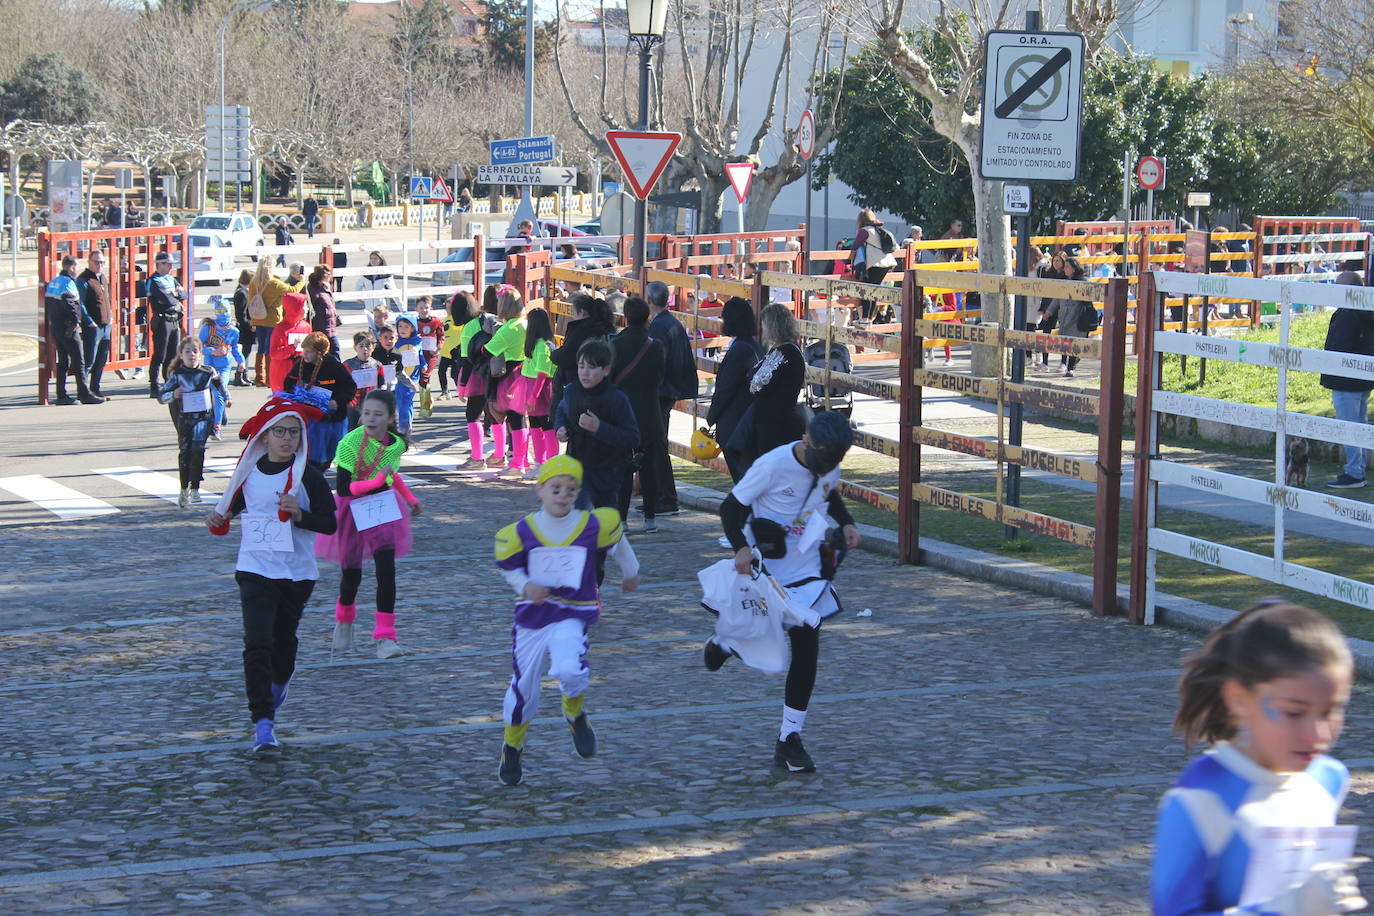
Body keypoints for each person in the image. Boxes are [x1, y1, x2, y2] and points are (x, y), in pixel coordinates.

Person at [1151, 600, 1365, 916]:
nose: (1318, 734)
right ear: (1238, 699)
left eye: (1332, 711)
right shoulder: (1198, 800)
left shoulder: (1329, 779)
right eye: (1294, 713)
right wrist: (1284, 909)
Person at [706, 411, 860, 773]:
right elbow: (731, 507)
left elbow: (829, 492)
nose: (827, 467)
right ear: (807, 442)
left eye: (833, 462)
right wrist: (739, 548)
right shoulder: (772, 465)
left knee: (807, 639)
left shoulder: (829, 463)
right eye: (822, 460)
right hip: (766, 567)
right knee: (761, 634)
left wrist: (847, 522)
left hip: (807, 566)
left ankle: (790, 738)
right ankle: (726, 641)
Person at [492, 454, 640, 786]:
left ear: (577, 494)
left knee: (569, 667)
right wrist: (525, 585)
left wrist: (632, 573)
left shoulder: (591, 525)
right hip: (532, 619)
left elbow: (618, 543)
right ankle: (512, 746)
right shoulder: (523, 531)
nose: (562, 495)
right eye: (555, 488)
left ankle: (575, 712)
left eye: (569, 490)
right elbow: (509, 566)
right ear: (540, 490)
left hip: (572, 614)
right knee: (523, 688)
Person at [205, 395, 338, 753]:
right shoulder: (248, 474)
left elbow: (330, 523)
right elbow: (235, 506)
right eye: (280, 431)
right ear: (264, 435)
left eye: (294, 432)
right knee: (257, 643)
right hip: (254, 568)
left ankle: (281, 680)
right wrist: (220, 517)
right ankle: (263, 724)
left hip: (296, 573)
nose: (287, 438)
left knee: (283, 643)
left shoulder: (308, 478)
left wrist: (300, 516)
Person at [317, 389, 420, 660]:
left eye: (378, 414)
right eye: (366, 413)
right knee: (352, 575)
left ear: (389, 418)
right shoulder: (349, 443)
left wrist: (409, 497)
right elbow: (343, 487)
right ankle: (344, 619)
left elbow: (390, 474)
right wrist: (375, 482)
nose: (371, 419)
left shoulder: (395, 443)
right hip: (352, 507)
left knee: (386, 570)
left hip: (382, 507)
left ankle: (385, 637)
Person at [555, 339, 639, 514]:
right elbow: (561, 413)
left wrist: (600, 428)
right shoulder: (571, 391)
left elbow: (632, 438)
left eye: (591, 367)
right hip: (577, 468)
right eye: (581, 366)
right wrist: (560, 428)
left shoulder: (617, 398)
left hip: (608, 472)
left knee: (606, 524)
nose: (585, 373)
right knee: (579, 518)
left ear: (606, 370)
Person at [731, 303, 806, 478]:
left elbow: (756, 384)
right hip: (768, 423)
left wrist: (751, 375)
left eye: (764, 324)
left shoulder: (786, 353)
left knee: (770, 474)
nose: (762, 328)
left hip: (776, 425)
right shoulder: (779, 351)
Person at [611, 297, 666, 532]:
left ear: (626, 316)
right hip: (649, 412)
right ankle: (650, 519)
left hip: (623, 413)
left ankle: (621, 519)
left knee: (623, 466)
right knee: (649, 467)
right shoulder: (656, 346)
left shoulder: (615, 344)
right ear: (647, 318)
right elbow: (660, 378)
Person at [645, 280, 695, 516]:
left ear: (650, 301)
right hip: (671, 388)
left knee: (657, 445)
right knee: (657, 444)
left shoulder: (658, 327)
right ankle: (659, 495)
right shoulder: (673, 323)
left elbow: (656, 362)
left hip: (661, 390)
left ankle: (665, 497)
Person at [1320, 271, 1374, 489]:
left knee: (1349, 425)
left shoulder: (1348, 314)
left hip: (1345, 380)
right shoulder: (1365, 311)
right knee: (1359, 423)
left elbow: (1339, 345)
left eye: (1338, 285)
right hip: (1360, 380)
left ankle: (1354, 473)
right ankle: (1359, 468)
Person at [160, 336, 227, 507]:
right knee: (185, 453)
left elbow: (220, 386)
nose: (192, 355)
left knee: (198, 450)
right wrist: (173, 395)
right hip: (185, 419)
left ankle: (195, 488)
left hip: (203, 418)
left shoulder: (208, 372)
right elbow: (162, 396)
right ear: (181, 355)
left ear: (201, 354)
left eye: (195, 351)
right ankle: (184, 489)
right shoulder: (177, 376)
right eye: (187, 352)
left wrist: (227, 399)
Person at [284, 331, 357, 472]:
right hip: (309, 418)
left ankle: (323, 468)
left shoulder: (334, 366)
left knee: (329, 454)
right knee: (310, 456)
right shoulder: (300, 365)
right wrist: (295, 392)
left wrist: (337, 402)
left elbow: (350, 387)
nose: (304, 354)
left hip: (332, 420)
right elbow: (287, 384)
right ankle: (313, 472)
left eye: (309, 352)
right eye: (304, 350)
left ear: (319, 353)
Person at [708, 298, 763, 482]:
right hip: (746, 422)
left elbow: (725, 389)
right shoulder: (753, 347)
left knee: (743, 480)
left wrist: (711, 416)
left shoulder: (740, 350)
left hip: (735, 425)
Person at [46, 255, 103, 406]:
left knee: (64, 360)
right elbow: (71, 304)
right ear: (71, 267)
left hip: (56, 326)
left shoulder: (54, 283)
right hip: (68, 327)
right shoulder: (69, 284)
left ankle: (61, 395)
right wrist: (76, 321)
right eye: (76, 267)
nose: (77, 270)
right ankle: (84, 394)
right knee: (79, 360)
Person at [551, 291, 615, 425]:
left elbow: (567, 356)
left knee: (577, 425)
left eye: (574, 312)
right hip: (602, 385)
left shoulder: (581, 330)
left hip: (577, 383)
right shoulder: (606, 328)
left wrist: (554, 353)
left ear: (582, 312)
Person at [484, 288, 529, 473]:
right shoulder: (526, 324)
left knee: (513, 418)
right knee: (522, 419)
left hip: (510, 375)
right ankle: (523, 459)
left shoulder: (507, 329)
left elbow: (488, 350)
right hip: (527, 371)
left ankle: (517, 463)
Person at [512, 306, 558, 478]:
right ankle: (540, 463)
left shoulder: (543, 346)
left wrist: (533, 397)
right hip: (532, 388)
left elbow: (542, 374)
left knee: (547, 428)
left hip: (541, 390)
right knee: (536, 427)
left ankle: (551, 465)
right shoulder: (537, 344)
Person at [459, 292, 500, 469]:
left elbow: (466, 361)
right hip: (495, 372)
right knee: (496, 416)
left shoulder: (469, 327)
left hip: (477, 376)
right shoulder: (489, 320)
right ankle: (500, 455)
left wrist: (461, 385)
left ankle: (477, 458)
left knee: (473, 415)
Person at [199, 298, 246, 437]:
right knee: (209, 393)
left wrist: (241, 361)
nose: (222, 313)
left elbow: (235, 348)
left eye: (225, 310)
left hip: (225, 367)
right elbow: (199, 346)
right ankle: (214, 417)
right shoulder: (208, 328)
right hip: (210, 366)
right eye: (219, 311)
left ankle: (217, 426)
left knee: (219, 393)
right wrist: (211, 351)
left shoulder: (234, 331)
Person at [1040, 256, 1094, 379]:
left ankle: (1071, 368)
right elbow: (1057, 299)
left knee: (1075, 343)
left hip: (1077, 317)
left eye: (1068, 267)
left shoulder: (1083, 281)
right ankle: (1066, 364)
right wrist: (1049, 312)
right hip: (1064, 316)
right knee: (1066, 343)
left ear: (1074, 269)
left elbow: (1088, 301)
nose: (1065, 269)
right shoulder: (1063, 281)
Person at [147, 251, 187, 396]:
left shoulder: (171, 279)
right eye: (167, 264)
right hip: (162, 320)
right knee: (159, 355)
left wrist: (174, 295)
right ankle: (154, 386)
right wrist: (174, 295)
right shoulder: (154, 280)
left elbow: (184, 294)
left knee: (172, 355)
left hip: (174, 320)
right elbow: (165, 299)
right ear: (159, 264)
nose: (170, 267)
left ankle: (168, 382)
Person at [76, 248, 113, 399]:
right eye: (96, 262)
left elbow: (106, 299)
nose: (99, 265)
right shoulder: (83, 280)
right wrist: (89, 322)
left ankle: (95, 388)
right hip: (93, 327)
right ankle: (83, 392)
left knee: (101, 360)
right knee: (89, 360)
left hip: (106, 325)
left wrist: (110, 317)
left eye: (102, 262)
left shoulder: (103, 278)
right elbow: (80, 303)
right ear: (89, 262)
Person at [248, 258, 290, 386]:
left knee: (260, 349)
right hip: (272, 320)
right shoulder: (275, 283)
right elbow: (292, 290)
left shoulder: (253, 282)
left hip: (258, 318)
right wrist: (301, 280)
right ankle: (270, 379)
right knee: (270, 350)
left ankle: (259, 377)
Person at [850, 209, 898, 322]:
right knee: (874, 290)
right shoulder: (879, 230)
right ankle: (869, 318)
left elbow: (854, 246)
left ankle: (865, 318)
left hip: (875, 263)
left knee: (867, 290)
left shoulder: (864, 231)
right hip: (886, 263)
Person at [268, 292, 311, 392]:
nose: (307, 309)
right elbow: (274, 353)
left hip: (301, 371)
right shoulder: (281, 328)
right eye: (304, 306)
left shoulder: (306, 326)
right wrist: (292, 347)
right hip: (282, 371)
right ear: (296, 308)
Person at [392, 314, 424, 435]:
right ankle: (400, 427)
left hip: (413, 377)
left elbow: (420, 356)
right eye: (400, 326)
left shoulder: (418, 341)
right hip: (398, 377)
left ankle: (405, 430)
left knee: (405, 404)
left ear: (413, 328)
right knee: (399, 403)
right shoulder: (396, 342)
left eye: (406, 327)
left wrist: (424, 365)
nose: (402, 329)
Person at [343, 330, 381, 430]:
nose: (365, 349)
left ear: (373, 347)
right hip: (353, 406)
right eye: (361, 346)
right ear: (355, 347)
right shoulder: (347, 365)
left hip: (371, 406)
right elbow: (342, 384)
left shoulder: (377, 365)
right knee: (352, 432)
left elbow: (382, 384)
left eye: (368, 346)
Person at [307, 263, 339, 356]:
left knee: (336, 353)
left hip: (331, 328)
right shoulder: (313, 289)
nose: (330, 277)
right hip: (322, 328)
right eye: (328, 274)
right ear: (323, 276)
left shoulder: (325, 287)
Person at [231, 268, 254, 385]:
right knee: (245, 352)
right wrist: (250, 325)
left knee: (246, 351)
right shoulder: (242, 293)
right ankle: (239, 375)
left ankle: (244, 375)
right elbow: (241, 314)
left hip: (244, 326)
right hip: (245, 328)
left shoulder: (241, 291)